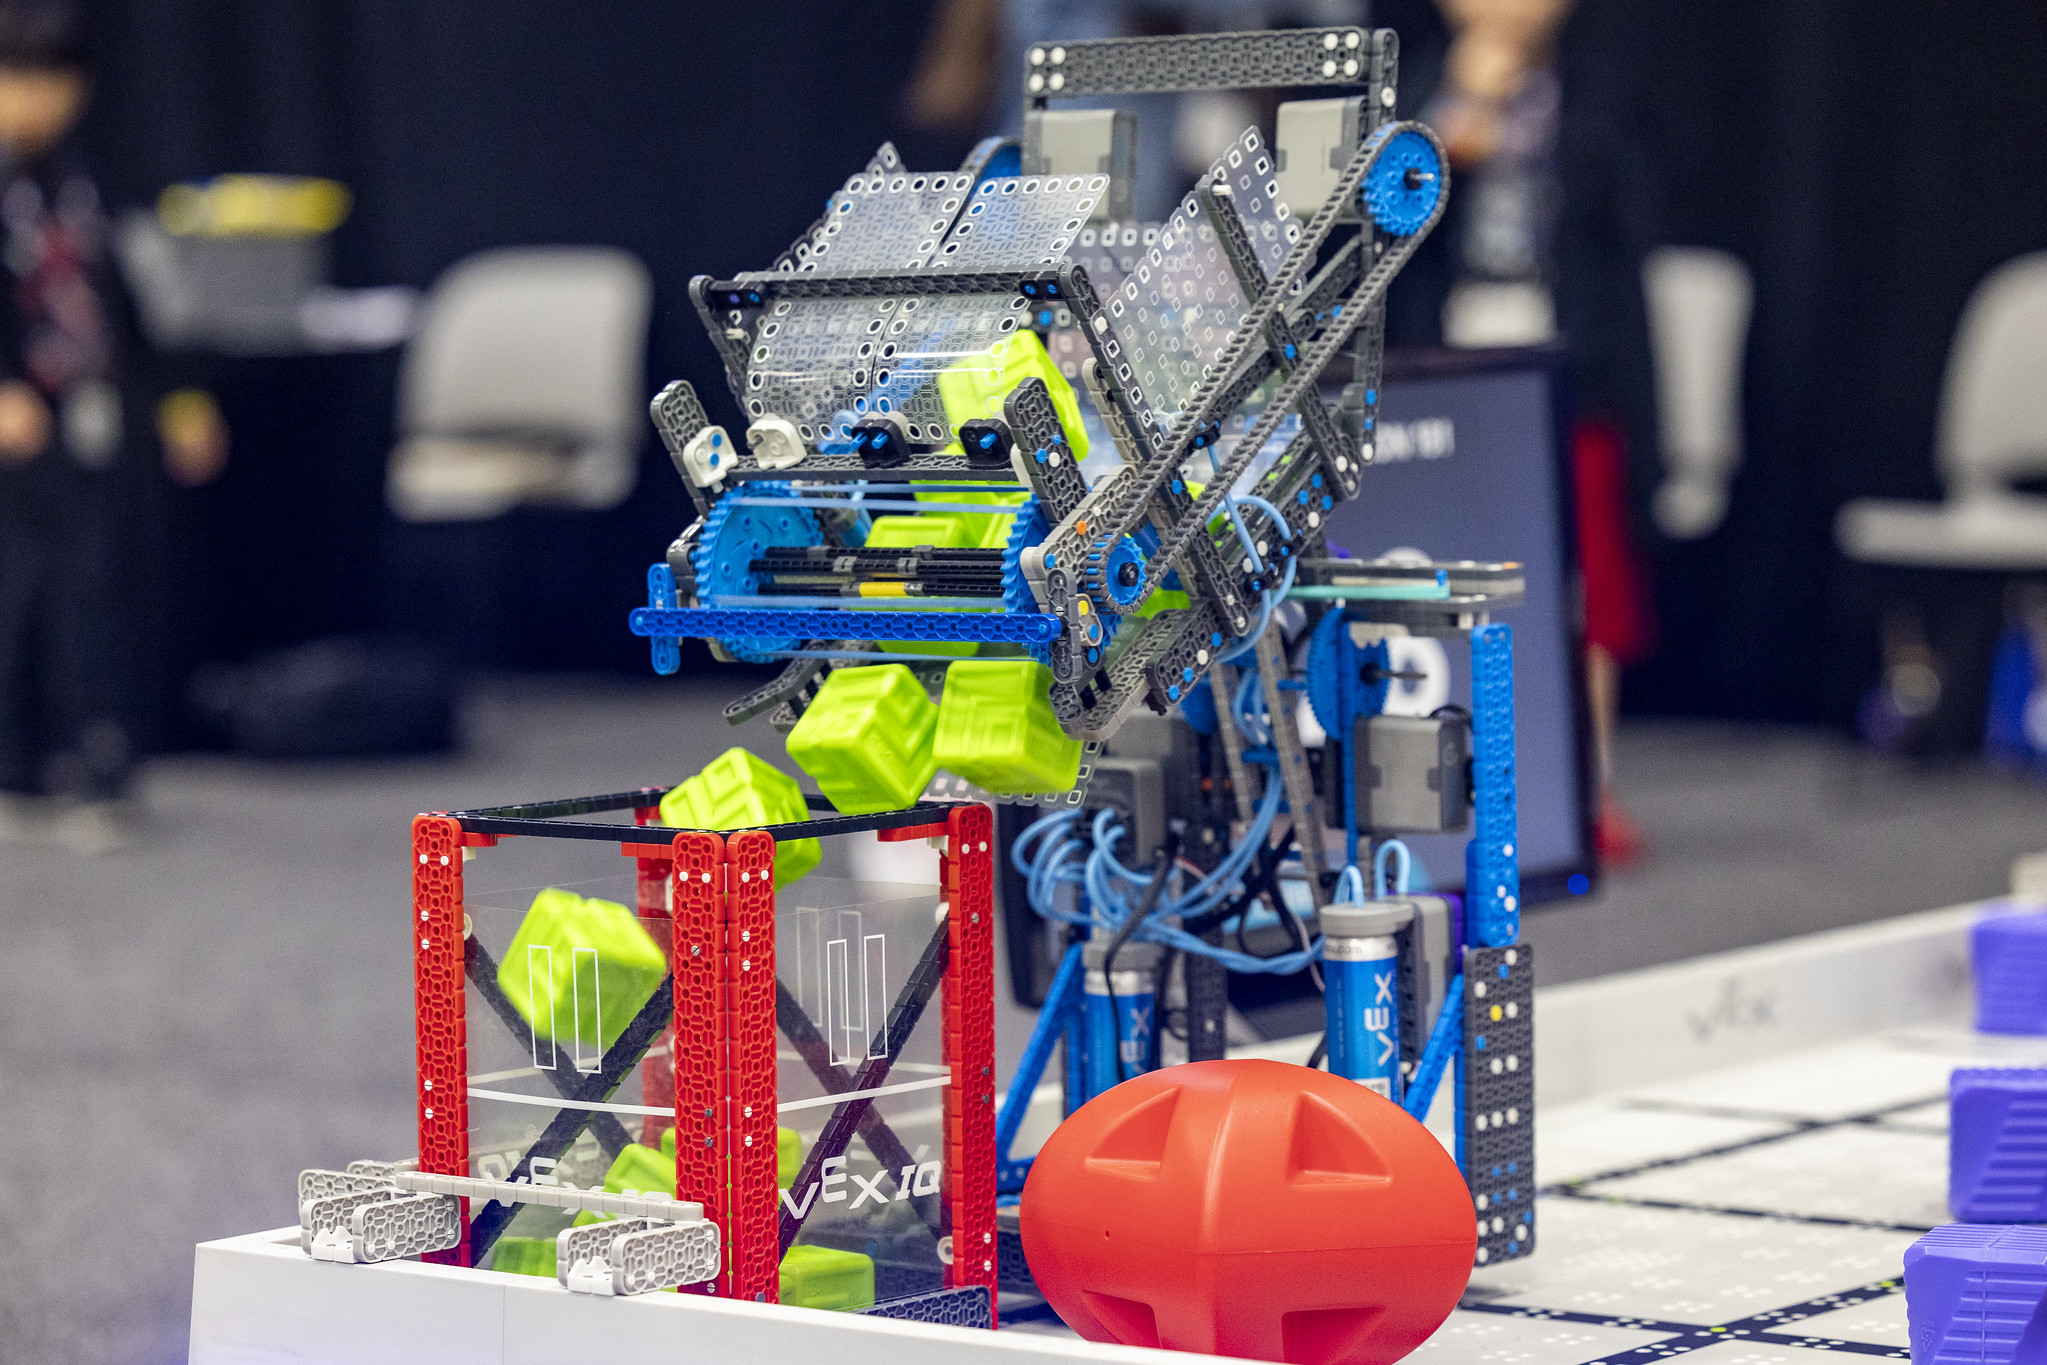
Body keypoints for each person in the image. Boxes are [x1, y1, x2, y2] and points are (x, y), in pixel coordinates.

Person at [0, 0, 226, 852]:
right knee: (24, 590)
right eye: (19, 79)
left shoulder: (85, 179)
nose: (36, 101)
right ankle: (17, 761)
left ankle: (99, 762)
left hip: (92, 416)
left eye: (54, 81)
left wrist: (179, 400)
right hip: (17, 426)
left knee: (96, 584)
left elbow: (130, 304)